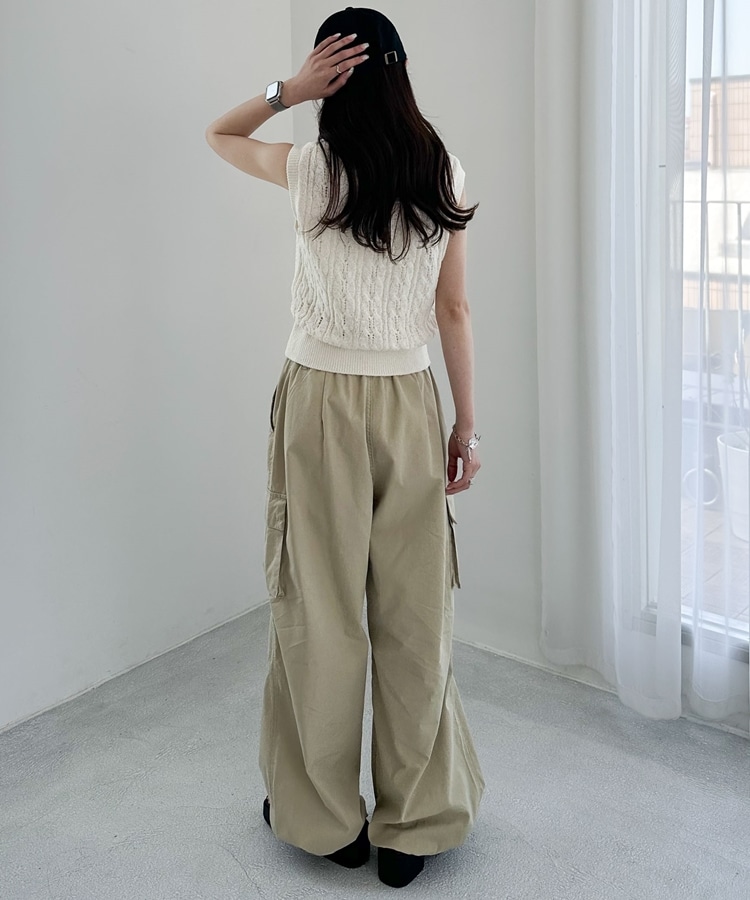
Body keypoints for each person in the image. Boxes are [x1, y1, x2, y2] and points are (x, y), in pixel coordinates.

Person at [205, 6, 485, 889]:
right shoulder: (441, 168)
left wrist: (286, 90)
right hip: (410, 403)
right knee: (415, 614)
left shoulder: (311, 167)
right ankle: (415, 827)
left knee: (318, 610)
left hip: (319, 403)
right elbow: (453, 309)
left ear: (335, 75)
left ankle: (326, 821)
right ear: (401, 72)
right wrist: (466, 424)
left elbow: (218, 134)